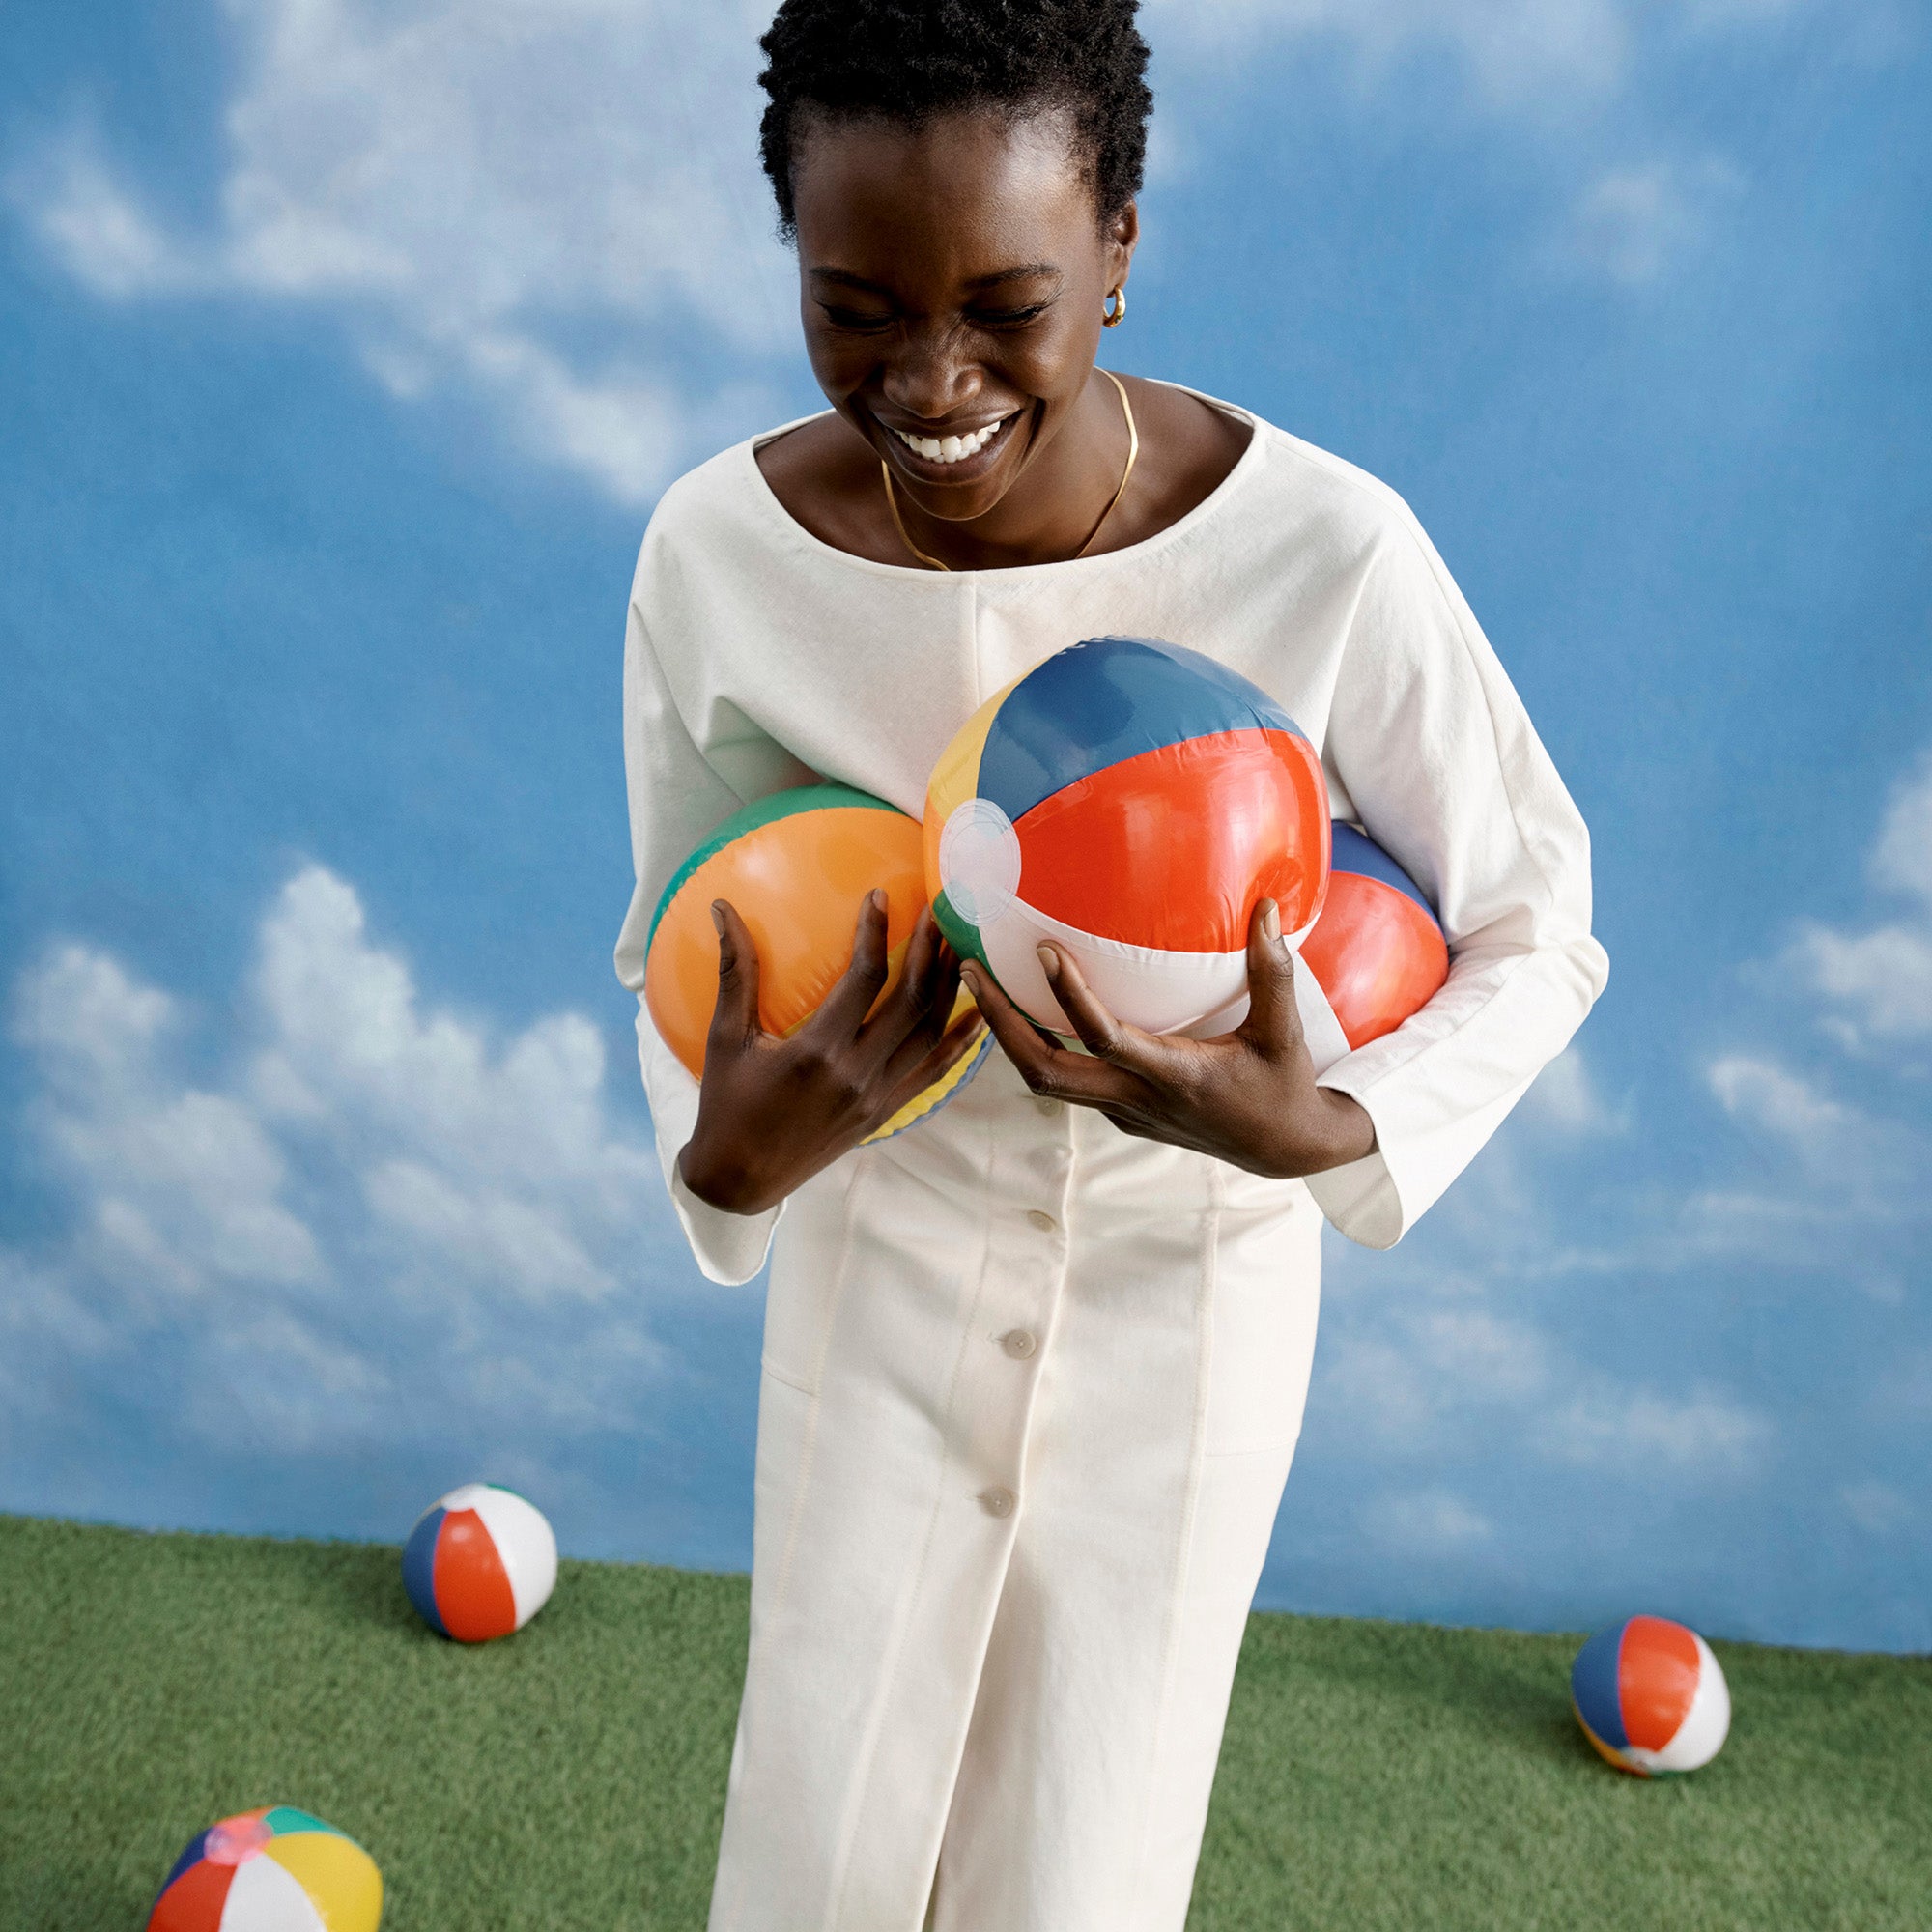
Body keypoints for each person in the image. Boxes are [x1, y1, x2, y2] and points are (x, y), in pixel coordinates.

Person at [611, 3, 1608, 1927]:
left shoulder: (1325, 552)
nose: (927, 375)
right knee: (813, 1851)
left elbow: (1537, 918)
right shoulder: (717, 558)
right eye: (853, 306)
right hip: (874, 1264)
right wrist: (720, 1160)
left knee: (1083, 1860)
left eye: (1008, 302)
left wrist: (1323, 1123)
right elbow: (677, 926)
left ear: (1123, 247)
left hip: (1193, 1300)